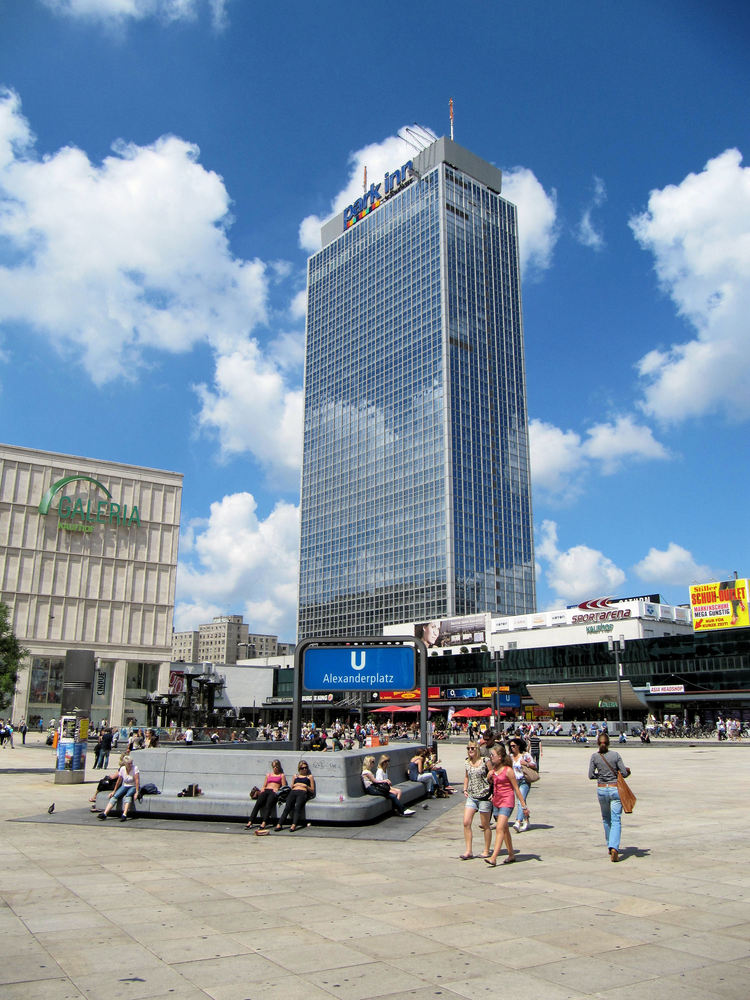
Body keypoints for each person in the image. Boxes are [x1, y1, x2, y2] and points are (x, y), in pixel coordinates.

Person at [588, 732, 631, 862]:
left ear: (598, 743)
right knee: (616, 820)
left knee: (606, 819)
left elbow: (590, 775)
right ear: (609, 743)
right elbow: (623, 773)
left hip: (601, 789)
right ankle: (614, 847)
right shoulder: (615, 755)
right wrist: (627, 772)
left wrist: (600, 777)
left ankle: (609, 845)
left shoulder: (594, 756)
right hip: (614, 789)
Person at [485, 744, 529, 866]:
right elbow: (493, 785)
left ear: (500, 757)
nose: (491, 757)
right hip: (497, 802)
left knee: (499, 828)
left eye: (492, 755)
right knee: (504, 829)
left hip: (507, 802)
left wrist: (524, 806)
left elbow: (516, 789)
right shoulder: (494, 771)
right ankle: (511, 854)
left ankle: (493, 858)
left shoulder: (508, 771)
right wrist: (489, 778)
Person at [460, 743, 492, 860]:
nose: (470, 750)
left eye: (472, 748)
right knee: (466, 822)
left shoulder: (485, 761)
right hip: (472, 796)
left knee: (485, 825)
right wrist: (465, 788)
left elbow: (492, 776)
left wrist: (493, 792)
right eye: (468, 748)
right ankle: (468, 851)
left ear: (477, 749)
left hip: (484, 795)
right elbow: (466, 776)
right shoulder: (467, 762)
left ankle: (486, 850)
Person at [247, 759, 288, 832]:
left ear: (279, 767)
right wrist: (263, 789)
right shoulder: (268, 775)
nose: (275, 768)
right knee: (258, 804)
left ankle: (264, 822)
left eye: (277, 766)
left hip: (274, 791)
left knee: (269, 804)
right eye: (274, 766)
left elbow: (284, 787)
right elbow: (264, 785)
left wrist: (278, 789)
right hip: (266, 790)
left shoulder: (281, 775)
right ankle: (250, 821)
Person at [98, 754, 140, 821]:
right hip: (125, 785)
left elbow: (137, 781)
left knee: (128, 795)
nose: (130, 765)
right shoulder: (122, 769)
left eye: (131, 763)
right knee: (115, 796)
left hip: (133, 786)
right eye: (129, 763)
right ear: (125, 764)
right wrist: (114, 791)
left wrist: (137, 792)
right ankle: (105, 813)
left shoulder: (135, 768)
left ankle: (124, 814)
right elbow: (119, 781)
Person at [275, 760, 315, 832]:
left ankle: (294, 825)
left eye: (306, 768)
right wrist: (295, 785)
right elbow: (292, 786)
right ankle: (279, 824)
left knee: (298, 807)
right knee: (287, 807)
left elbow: (312, 790)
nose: (304, 769)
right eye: (302, 768)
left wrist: (305, 786)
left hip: (303, 792)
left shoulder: (309, 777)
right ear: (299, 769)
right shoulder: (295, 776)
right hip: (294, 791)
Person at [508, 736, 536, 832]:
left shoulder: (525, 755)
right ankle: (526, 820)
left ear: (519, 746)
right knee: (522, 801)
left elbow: (534, 764)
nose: (512, 748)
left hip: (524, 781)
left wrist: (526, 763)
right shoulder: (510, 757)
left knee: (520, 801)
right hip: (515, 782)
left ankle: (518, 821)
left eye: (514, 746)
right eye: (511, 746)